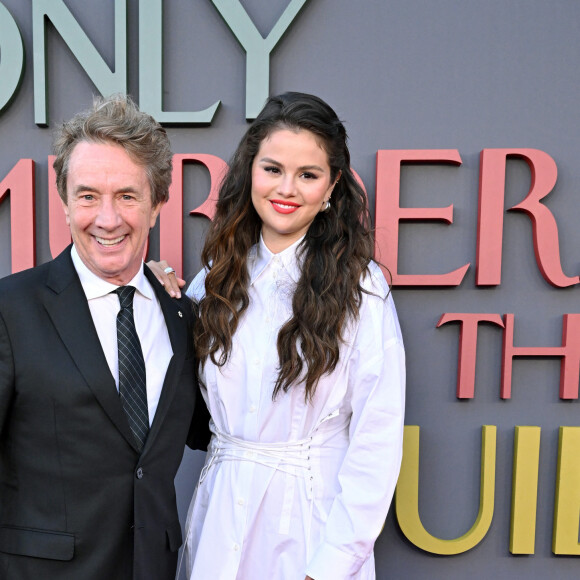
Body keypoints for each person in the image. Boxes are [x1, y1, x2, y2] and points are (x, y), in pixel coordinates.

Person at [155, 91, 405, 579]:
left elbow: (376, 438)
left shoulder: (361, 287)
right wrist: (160, 300)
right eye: (272, 169)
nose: (286, 188)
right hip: (219, 514)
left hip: (309, 529)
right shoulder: (216, 277)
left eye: (307, 175)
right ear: (250, 172)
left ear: (332, 185)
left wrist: (329, 566)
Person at [0, 95, 208, 579]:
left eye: (127, 196)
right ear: (65, 203)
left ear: (158, 205)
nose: (108, 219)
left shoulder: (181, 314)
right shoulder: (11, 310)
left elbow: (213, 430)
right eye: (88, 195)